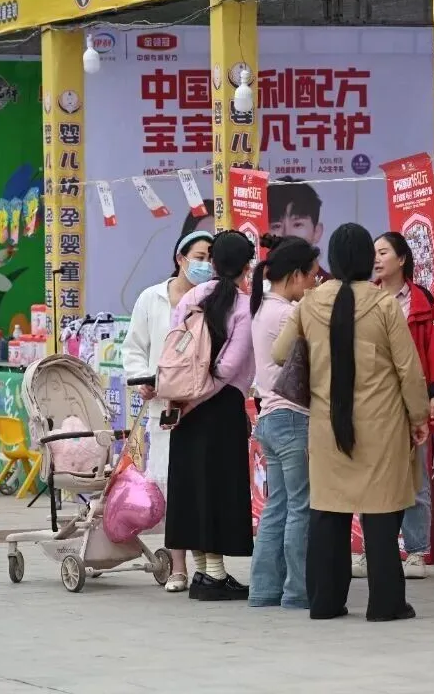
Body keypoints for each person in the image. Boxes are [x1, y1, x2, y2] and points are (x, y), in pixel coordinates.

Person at [273, 223, 430, 622]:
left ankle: (325, 602)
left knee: (328, 514)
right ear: (365, 260)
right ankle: (386, 604)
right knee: (380, 516)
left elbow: (279, 353)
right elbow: (408, 369)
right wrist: (417, 417)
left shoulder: (311, 302)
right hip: (382, 427)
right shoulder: (384, 304)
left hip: (328, 427)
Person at [122, 225, 214, 593]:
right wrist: (141, 380)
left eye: (210, 259)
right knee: (173, 486)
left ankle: (208, 565)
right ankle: (178, 567)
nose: (205, 265)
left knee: (201, 485)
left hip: (202, 404)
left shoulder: (212, 298)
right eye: (200, 257)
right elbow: (134, 348)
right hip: (164, 407)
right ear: (180, 259)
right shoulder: (151, 298)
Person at [350, 232, 434, 581]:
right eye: (373, 253)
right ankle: (372, 551)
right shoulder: (365, 297)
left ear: (402, 258)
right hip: (374, 403)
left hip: (412, 403)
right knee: (372, 479)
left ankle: (417, 552)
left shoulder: (422, 301)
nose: (376, 259)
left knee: (416, 480)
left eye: (383, 252)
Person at [166, 230, 257, 601]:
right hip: (221, 407)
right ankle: (214, 576)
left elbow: (173, 345)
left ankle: (205, 573)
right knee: (218, 487)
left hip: (184, 405)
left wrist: (185, 401)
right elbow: (228, 369)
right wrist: (201, 397)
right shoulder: (244, 307)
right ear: (247, 266)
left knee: (192, 487)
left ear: (215, 263)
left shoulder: (191, 297)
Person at [247, 234, 320, 609]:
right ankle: (297, 591)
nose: (314, 284)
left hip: (270, 417)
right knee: (299, 508)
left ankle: (263, 589)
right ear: (295, 276)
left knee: (277, 506)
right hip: (293, 418)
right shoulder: (288, 314)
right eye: (312, 276)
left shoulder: (263, 309)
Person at [268, 177, 331, 281]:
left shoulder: (330, 286)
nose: (287, 234)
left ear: (316, 232)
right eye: (276, 226)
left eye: (297, 224)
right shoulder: (253, 283)